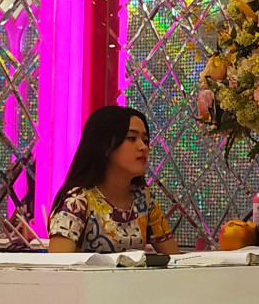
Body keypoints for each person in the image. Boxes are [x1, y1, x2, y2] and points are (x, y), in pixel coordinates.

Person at [48, 105, 180, 254]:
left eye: (145, 140)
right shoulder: (78, 201)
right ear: (105, 146)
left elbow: (174, 259)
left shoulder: (144, 200)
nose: (143, 147)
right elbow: (57, 263)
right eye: (131, 138)